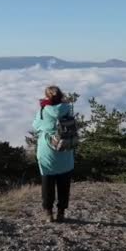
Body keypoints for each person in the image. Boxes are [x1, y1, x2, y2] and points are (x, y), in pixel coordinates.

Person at [32, 85, 74, 222]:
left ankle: (49, 213)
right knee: (64, 183)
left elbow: (36, 126)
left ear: (47, 97)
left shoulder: (43, 111)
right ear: (61, 96)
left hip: (47, 151)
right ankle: (61, 212)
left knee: (47, 183)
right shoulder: (68, 109)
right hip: (65, 149)